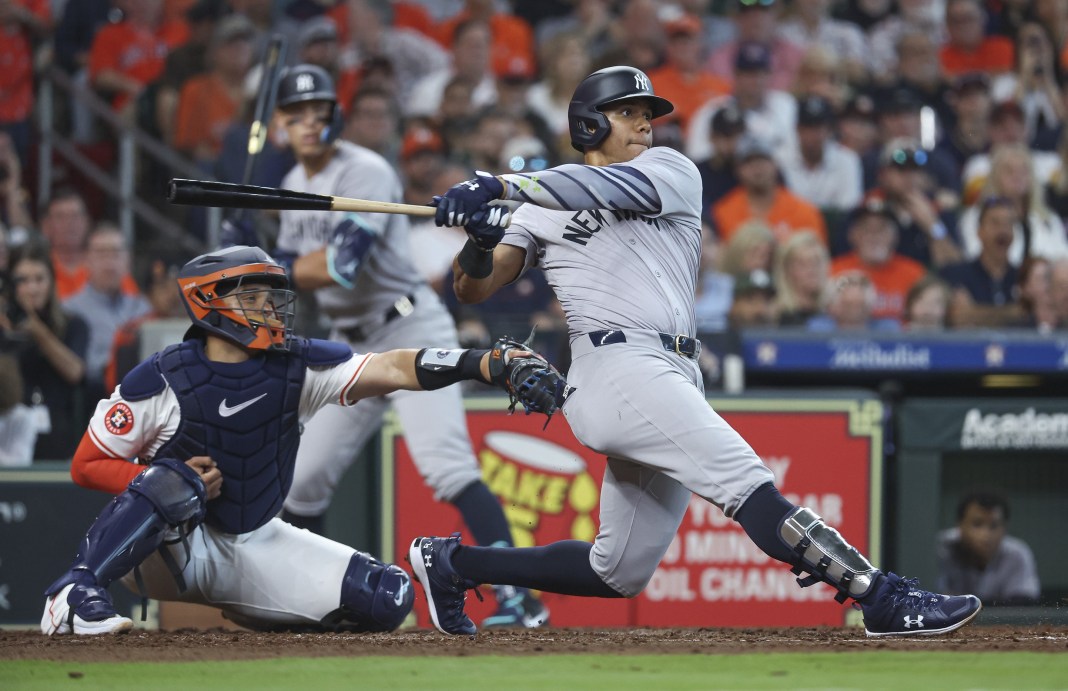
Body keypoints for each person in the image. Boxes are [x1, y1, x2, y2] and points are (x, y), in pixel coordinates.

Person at [413, 65, 983, 638]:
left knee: (617, 571)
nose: (644, 125)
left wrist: (500, 186)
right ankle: (879, 596)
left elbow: (603, 189)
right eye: (628, 113)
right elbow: (473, 288)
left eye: (647, 114)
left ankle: (454, 564)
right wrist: (481, 240)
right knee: (745, 481)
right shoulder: (537, 210)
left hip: (673, 368)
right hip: (614, 369)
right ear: (588, 124)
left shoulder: (670, 170)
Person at [39, 245, 540, 636]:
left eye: (273, 296)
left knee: (386, 598)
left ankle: (258, 614)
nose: (272, 308)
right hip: (169, 549)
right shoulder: (162, 377)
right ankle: (74, 592)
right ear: (207, 301)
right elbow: (86, 464)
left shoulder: (298, 365)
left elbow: (389, 365)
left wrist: (481, 362)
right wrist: (167, 478)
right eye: (253, 297)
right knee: (173, 480)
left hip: (254, 538)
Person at [261, 64, 547, 629]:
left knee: (446, 467)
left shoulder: (364, 170)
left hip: (409, 329)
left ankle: (520, 599)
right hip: (353, 347)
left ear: (336, 117)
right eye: (297, 115)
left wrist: (261, 265)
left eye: (319, 112)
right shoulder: (294, 184)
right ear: (280, 124)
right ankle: (306, 593)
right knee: (304, 479)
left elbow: (340, 268)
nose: (309, 124)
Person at [2, 242, 89, 461]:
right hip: (7, 434)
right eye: (23, 280)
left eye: (39, 279)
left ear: (51, 282)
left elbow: (75, 372)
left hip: (59, 432)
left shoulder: (74, 324)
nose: (32, 288)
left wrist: (35, 328)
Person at [937, 490, 1040, 604]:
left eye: (994, 525)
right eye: (977, 524)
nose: (986, 535)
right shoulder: (940, 549)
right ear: (960, 525)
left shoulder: (1017, 554)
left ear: (1004, 528)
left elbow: (1024, 606)